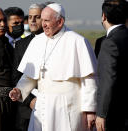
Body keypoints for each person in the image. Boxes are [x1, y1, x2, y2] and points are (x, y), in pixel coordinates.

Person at [10, 3, 97, 131]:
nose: (43, 24)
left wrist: (90, 110)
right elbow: (30, 76)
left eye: (47, 21)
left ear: (60, 21)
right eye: (42, 20)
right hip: (43, 105)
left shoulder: (77, 41)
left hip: (68, 107)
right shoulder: (37, 41)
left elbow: (89, 80)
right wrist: (19, 90)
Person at [95, 1, 128, 131]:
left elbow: (107, 81)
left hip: (116, 113)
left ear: (104, 16)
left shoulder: (110, 43)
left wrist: (101, 114)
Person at [13, 3, 45, 131]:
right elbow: (16, 77)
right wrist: (30, 100)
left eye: (37, 17)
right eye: (30, 17)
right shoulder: (21, 44)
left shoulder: (58, 43)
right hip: (27, 109)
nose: (32, 21)